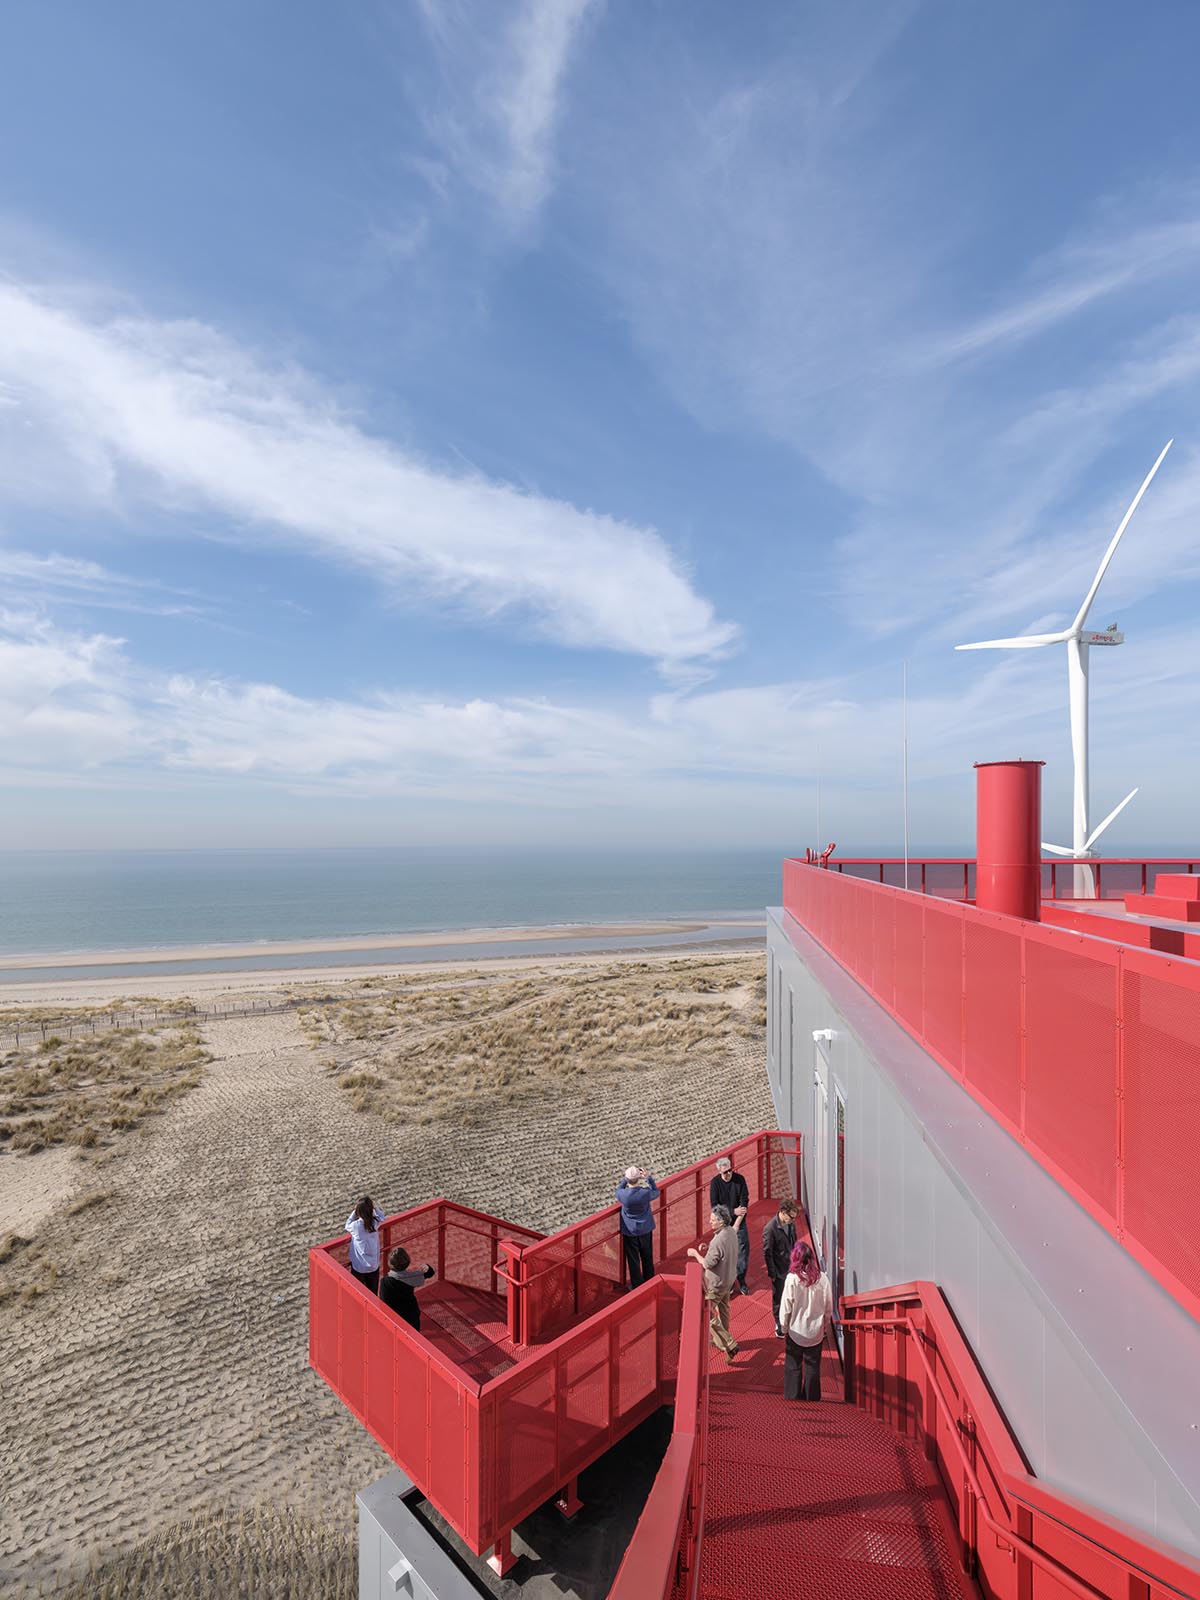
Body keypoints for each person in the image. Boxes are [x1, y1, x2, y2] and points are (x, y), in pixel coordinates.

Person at [779, 1240, 833, 1400]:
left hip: (796, 1331)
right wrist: (824, 1326)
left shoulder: (792, 1279)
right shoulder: (823, 1279)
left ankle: (792, 1396)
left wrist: (784, 1328)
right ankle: (812, 1397)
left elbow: (785, 1307)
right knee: (813, 1367)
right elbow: (828, 1307)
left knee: (793, 1366)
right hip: (815, 1332)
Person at [687, 1206, 740, 1361]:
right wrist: (709, 1247)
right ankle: (721, 1342)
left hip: (716, 1284)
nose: (710, 1221)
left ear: (721, 1221)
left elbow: (706, 1264)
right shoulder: (730, 1232)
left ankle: (729, 1343)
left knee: (707, 1312)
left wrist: (695, 1253)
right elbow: (723, 1251)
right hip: (728, 1280)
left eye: (713, 1219)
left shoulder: (718, 1240)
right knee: (723, 1311)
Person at [710, 1154, 751, 1295]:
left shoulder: (740, 1180)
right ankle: (730, 1281)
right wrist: (733, 1211)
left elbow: (744, 1203)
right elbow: (715, 1206)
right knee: (726, 1255)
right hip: (723, 1225)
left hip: (739, 1223)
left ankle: (741, 1279)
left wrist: (737, 1223)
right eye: (725, 1172)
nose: (728, 1174)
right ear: (719, 1172)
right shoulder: (715, 1183)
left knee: (742, 1253)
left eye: (730, 1171)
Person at [616, 1166, 659, 1289]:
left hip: (630, 1231)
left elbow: (618, 1189)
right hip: (645, 1229)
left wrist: (625, 1180)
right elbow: (656, 1192)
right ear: (638, 1178)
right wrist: (648, 1178)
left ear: (628, 1178)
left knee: (633, 1260)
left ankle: (636, 1285)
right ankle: (650, 1281)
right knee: (647, 1256)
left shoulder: (623, 1195)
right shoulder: (644, 1193)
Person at [762, 1199, 799, 1337]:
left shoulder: (791, 1224)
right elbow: (767, 1252)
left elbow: (794, 1242)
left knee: (791, 1295)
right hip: (779, 1270)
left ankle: (789, 1320)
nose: (793, 1220)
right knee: (778, 1297)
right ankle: (778, 1323)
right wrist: (772, 1273)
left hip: (791, 1267)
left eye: (794, 1218)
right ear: (783, 1213)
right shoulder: (770, 1229)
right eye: (791, 1217)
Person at [380, 1247, 435, 1331]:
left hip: (395, 1319)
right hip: (411, 1314)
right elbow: (429, 1273)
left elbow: (384, 1303)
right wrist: (427, 1267)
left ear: (390, 1264)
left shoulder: (385, 1282)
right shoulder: (412, 1277)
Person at [345, 1195, 386, 1294]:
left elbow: (347, 1225)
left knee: (357, 1293)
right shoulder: (374, 1223)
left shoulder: (356, 1226)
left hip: (359, 1267)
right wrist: (375, 1208)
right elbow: (382, 1217)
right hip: (373, 1266)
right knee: (372, 1293)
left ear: (358, 1211)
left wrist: (354, 1212)